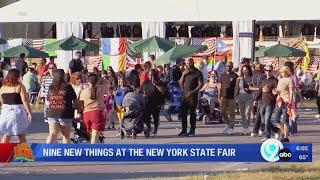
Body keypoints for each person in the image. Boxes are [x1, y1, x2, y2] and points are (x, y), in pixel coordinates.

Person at [46, 69, 80, 144]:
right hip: (65, 113)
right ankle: (66, 153)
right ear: (63, 76)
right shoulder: (68, 87)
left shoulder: (51, 87)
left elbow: (48, 100)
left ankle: (47, 151)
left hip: (52, 112)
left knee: (52, 134)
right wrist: (79, 110)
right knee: (66, 136)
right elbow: (75, 101)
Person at [0, 69, 32, 143]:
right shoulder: (20, 86)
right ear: (17, 76)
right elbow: (24, 100)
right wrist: (29, 112)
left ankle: (2, 153)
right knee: (21, 135)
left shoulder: (2, 88)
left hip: (5, 113)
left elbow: (2, 101)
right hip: (18, 112)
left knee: (7, 134)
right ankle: (23, 154)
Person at [178, 58, 204, 136]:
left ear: (192, 63)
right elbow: (180, 83)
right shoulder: (185, 72)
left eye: (189, 63)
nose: (188, 64)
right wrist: (183, 74)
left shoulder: (198, 72)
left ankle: (192, 130)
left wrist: (192, 92)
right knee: (183, 113)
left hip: (193, 95)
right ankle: (184, 130)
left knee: (192, 113)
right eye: (187, 63)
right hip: (185, 95)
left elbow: (200, 85)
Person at [79, 73, 108, 143]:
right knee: (95, 137)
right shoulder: (101, 88)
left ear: (88, 81)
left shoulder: (84, 91)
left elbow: (81, 103)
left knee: (92, 136)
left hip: (86, 114)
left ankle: (92, 150)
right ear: (97, 81)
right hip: (97, 113)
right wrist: (99, 76)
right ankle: (93, 152)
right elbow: (106, 82)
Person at [256, 65, 279, 141]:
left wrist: (271, 91)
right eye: (266, 70)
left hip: (270, 102)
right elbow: (259, 90)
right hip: (262, 102)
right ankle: (276, 130)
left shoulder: (274, 80)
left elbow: (276, 91)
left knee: (267, 119)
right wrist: (255, 99)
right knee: (263, 120)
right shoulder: (263, 80)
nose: (268, 72)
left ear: (272, 71)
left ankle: (267, 136)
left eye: (269, 70)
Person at [274, 66, 294, 142]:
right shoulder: (280, 80)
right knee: (276, 118)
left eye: (283, 72)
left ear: (286, 72)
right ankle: (282, 132)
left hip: (286, 101)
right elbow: (278, 90)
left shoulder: (290, 80)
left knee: (285, 120)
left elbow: (292, 92)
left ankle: (286, 136)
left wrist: (290, 102)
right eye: (281, 72)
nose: (281, 73)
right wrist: (275, 91)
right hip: (279, 100)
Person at [219, 61, 238, 135]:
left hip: (232, 97)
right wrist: (219, 96)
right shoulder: (222, 75)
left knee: (232, 113)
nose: (228, 67)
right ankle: (227, 124)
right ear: (225, 67)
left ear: (232, 67)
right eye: (227, 66)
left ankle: (231, 128)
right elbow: (220, 86)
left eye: (230, 66)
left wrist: (236, 96)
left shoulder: (235, 76)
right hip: (224, 96)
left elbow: (236, 87)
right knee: (222, 112)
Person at [235, 65, 253, 135]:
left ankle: (247, 127)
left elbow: (253, 87)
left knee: (247, 113)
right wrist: (235, 97)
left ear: (249, 70)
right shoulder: (239, 78)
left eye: (246, 70)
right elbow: (236, 88)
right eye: (243, 70)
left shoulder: (251, 78)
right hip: (240, 97)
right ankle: (244, 128)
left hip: (249, 97)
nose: (244, 71)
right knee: (242, 114)